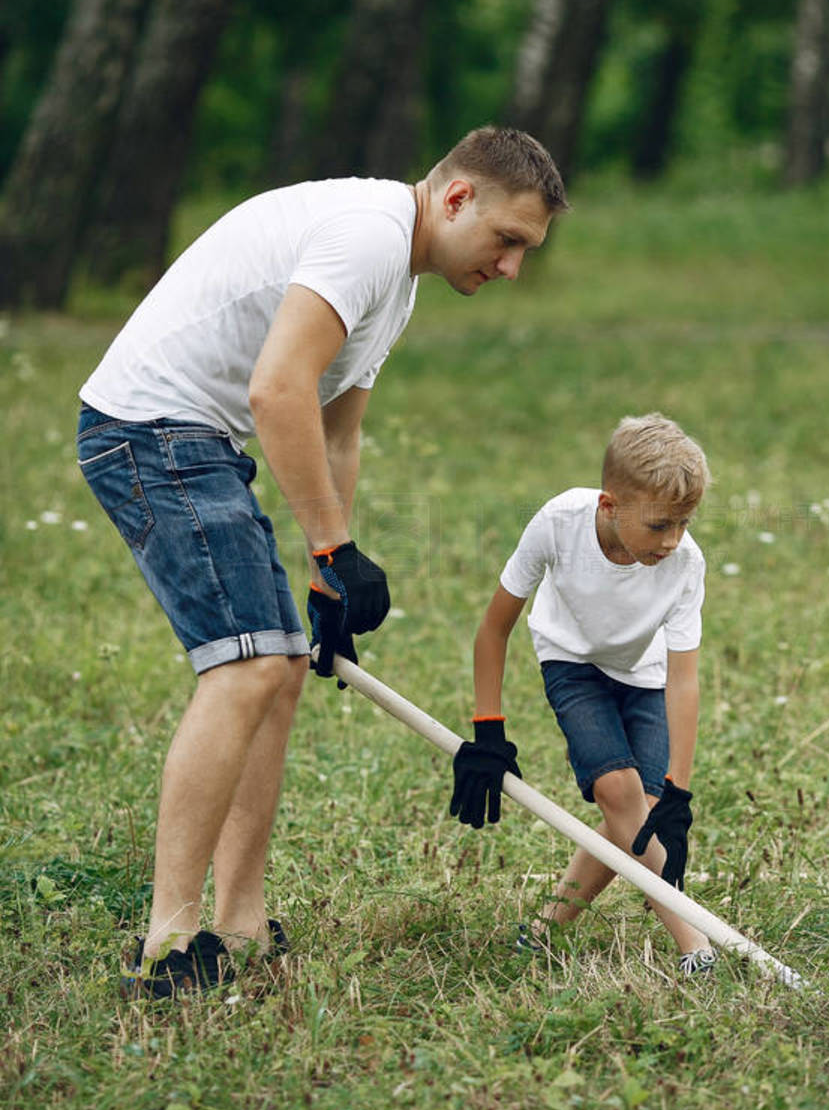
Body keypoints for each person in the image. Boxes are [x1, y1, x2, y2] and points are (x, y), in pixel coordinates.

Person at [77, 126, 567, 998]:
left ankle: (242, 918)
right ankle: (167, 939)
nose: (511, 268)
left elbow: (339, 429)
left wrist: (322, 574)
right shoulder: (368, 234)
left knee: (283, 666)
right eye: (507, 241)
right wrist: (337, 544)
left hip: (194, 437)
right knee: (247, 665)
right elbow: (276, 388)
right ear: (457, 198)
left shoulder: (399, 280)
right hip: (150, 429)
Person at [449, 412, 716, 978]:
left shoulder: (686, 564)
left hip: (644, 677)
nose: (672, 541)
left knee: (635, 814)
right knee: (618, 795)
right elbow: (494, 627)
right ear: (609, 506)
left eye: (683, 524)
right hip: (571, 662)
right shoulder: (559, 523)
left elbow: (684, 677)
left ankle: (546, 930)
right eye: (659, 526)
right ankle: (696, 945)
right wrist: (488, 728)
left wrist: (679, 793)